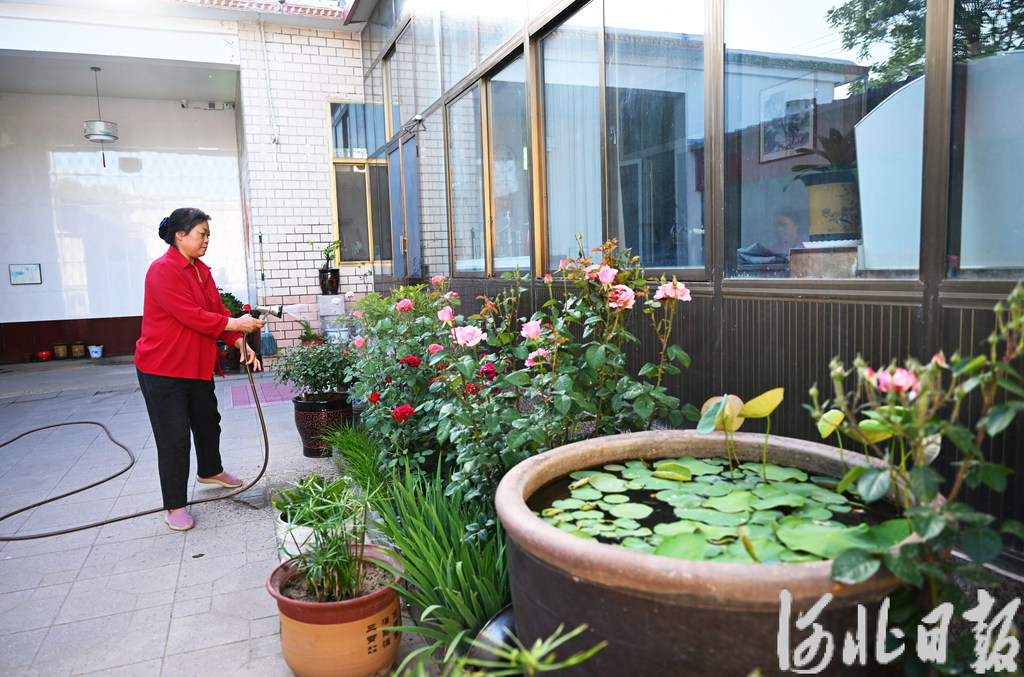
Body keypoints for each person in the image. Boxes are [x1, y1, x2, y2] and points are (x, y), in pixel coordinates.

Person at [135, 208, 265, 531]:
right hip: (163, 368)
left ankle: (210, 470)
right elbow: (192, 316)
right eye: (202, 234)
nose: (207, 240)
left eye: (208, 235)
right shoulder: (162, 270)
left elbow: (217, 311)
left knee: (208, 422)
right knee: (175, 438)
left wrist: (240, 342)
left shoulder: (201, 270)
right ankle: (175, 505)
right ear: (180, 235)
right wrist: (239, 324)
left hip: (196, 365)